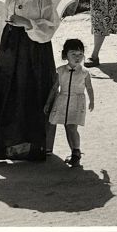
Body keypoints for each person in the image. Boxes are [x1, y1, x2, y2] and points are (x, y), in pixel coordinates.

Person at [0, 0, 60, 162]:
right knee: (7, 93)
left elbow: (49, 29)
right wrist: (1, 54)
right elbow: (3, 25)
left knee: (32, 94)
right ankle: (3, 147)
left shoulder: (45, 0)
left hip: (35, 52)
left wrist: (27, 22)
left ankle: (31, 148)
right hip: (12, 51)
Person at [43, 39, 94, 168]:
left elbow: (89, 87)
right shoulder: (60, 71)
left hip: (77, 103)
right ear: (65, 55)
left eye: (80, 54)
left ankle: (76, 151)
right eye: (73, 54)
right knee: (67, 127)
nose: (77, 57)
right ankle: (73, 152)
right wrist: (48, 103)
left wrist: (92, 101)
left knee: (72, 128)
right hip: (62, 101)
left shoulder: (84, 72)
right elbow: (55, 88)